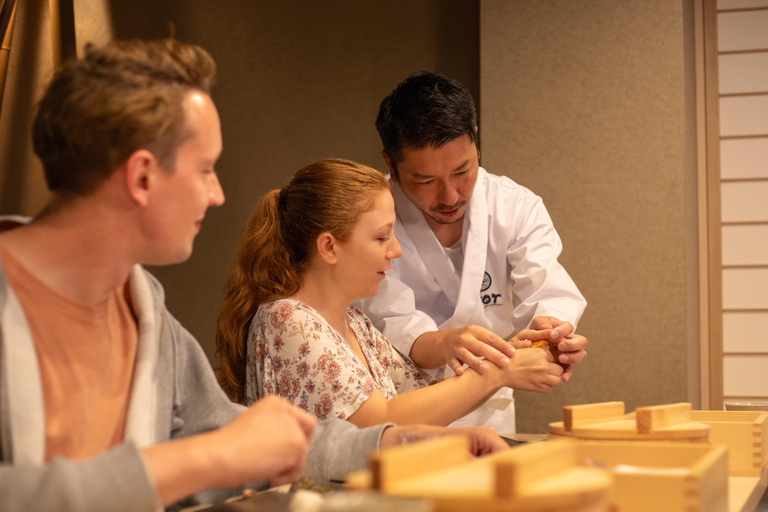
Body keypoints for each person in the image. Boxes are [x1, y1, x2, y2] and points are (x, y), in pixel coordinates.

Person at [0, 41, 506, 512]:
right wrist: (208, 458)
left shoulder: (142, 311)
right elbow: (216, 450)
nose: (217, 193)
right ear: (142, 176)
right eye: (204, 169)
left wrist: (399, 441)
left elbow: (241, 436)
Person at [215, 158, 566, 429]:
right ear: (329, 247)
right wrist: (501, 372)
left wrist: (507, 352)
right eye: (382, 237)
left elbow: (421, 401)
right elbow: (380, 422)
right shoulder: (287, 320)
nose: (395, 250)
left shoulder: (355, 323)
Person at [356, 71, 589, 432]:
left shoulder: (514, 206)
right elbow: (390, 318)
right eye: (425, 181)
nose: (450, 196)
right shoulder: (373, 217)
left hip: (489, 407)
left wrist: (552, 331)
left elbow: (547, 288)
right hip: (402, 407)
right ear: (391, 166)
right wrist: (445, 342)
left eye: (462, 170)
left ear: (475, 139)